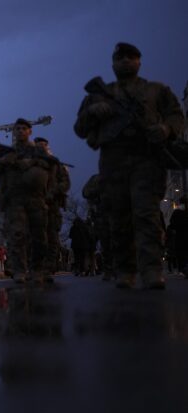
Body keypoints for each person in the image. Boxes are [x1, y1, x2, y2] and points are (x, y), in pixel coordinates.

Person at [74, 42, 184, 289]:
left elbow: (177, 116)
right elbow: (80, 129)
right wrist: (94, 112)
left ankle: (152, 269)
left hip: (147, 160)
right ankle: (125, 270)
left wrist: (166, 129)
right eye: (121, 57)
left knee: (146, 215)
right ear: (113, 63)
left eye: (131, 57)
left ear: (139, 61)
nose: (126, 61)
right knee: (119, 217)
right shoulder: (100, 95)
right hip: (114, 162)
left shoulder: (156, 91)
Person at [0, 118, 52, 284]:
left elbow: (51, 168)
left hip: (35, 198)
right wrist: (3, 161)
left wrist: (31, 162)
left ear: (30, 131)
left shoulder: (38, 151)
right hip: (15, 199)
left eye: (24, 128)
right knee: (17, 234)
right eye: (17, 129)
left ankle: (38, 269)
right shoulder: (6, 152)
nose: (20, 131)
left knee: (38, 235)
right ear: (13, 132)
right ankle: (19, 270)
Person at [35, 137, 71, 274]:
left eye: (44, 145)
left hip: (52, 205)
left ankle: (49, 265)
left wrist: (54, 191)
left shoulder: (55, 164)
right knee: (37, 236)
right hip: (36, 205)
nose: (42, 147)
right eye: (39, 145)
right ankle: (40, 266)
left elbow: (65, 182)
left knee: (52, 236)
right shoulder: (30, 163)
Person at [82, 174, 114, 280]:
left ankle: (119, 268)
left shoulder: (120, 174)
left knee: (118, 240)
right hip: (102, 215)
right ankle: (109, 269)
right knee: (106, 242)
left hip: (117, 213)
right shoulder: (97, 178)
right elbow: (85, 192)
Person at [168, 196, 188, 277]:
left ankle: (182, 269)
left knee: (180, 253)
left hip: (180, 235)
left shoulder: (177, 211)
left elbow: (172, 223)